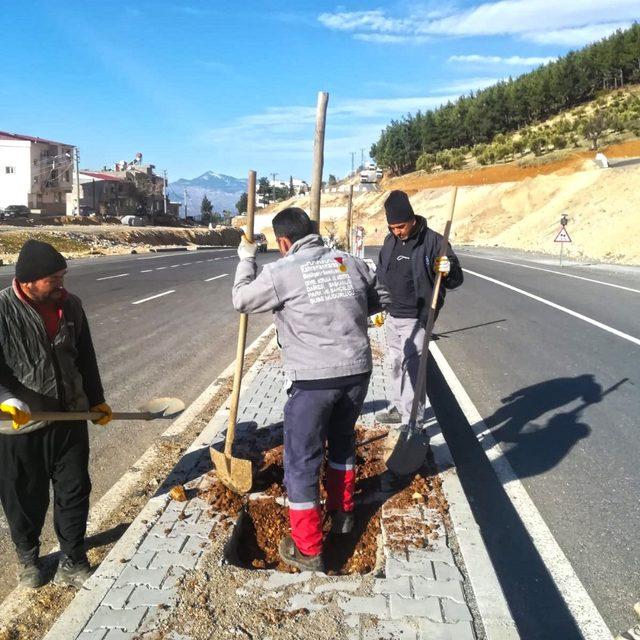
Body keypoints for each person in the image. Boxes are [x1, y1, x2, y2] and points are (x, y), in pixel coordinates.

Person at [232, 208, 389, 572]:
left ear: (284, 243)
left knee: (302, 461)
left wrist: (246, 259)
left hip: (314, 381)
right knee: (343, 442)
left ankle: (309, 548)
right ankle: (343, 513)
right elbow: (377, 298)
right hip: (357, 372)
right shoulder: (348, 262)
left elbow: (241, 300)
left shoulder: (280, 271)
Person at [0, 240, 112, 589]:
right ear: (29, 282)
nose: (61, 285)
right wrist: (4, 399)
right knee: (24, 498)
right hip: (20, 427)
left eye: (63, 276)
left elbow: (85, 359)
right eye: (54, 279)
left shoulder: (71, 306)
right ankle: (29, 559)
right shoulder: (2, 311)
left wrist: (96, 401)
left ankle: (73, 559)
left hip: (71, 419)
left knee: (75, 491)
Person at [376, 190, 463, 425]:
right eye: (392, 227)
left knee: (413, 370)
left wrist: (447, 269)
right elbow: (381, 274)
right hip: (392, 315)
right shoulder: (390, 240)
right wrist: (377, 305)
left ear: (412, 219)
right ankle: (398, 407)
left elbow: (455, 279)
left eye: (401, 226)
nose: (397, 232)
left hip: (417, 318)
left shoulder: (434, 241)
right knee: (396, 365)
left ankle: (413, 420)